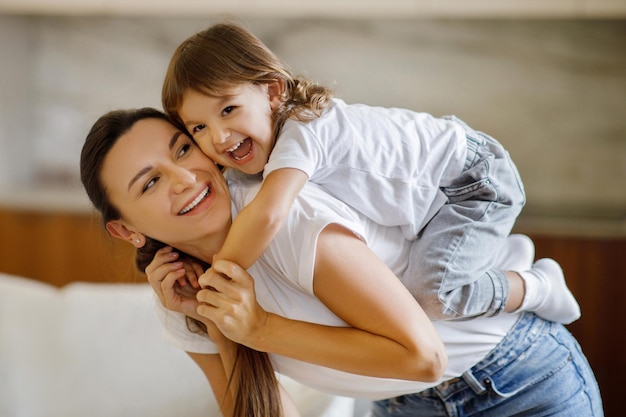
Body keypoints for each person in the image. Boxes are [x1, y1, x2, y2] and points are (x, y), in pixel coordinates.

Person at [79, 107, 603, 417]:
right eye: (150, 182)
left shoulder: (284, 215)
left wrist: (259, 327)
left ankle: (535, 285)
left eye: (183, 149)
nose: (186, 178)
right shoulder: (179, 294)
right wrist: (220, 325)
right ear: (127, 230)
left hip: (515, 379)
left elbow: (424, 357)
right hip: (404, 407)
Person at [161, 22, 580, 323]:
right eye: (198, 127)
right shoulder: (266, 155)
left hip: (473, 181)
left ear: (272, 91)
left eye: (228, 109)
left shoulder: (303, 132)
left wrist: (217, 277)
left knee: (436, 297)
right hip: (439, 190)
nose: (217, 136)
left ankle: (538, 284)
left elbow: (268, 214)